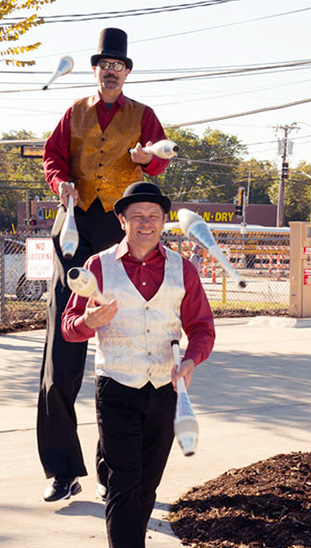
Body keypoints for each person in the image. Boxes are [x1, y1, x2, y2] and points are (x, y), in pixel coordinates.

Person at [39, 27, 171, 503]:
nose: (111, 70)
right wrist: (61, 184)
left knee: (121, 354)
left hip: (119, 237)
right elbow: (53, 158)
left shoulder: (144, 116)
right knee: (61, 357)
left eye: (119, 65)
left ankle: (109, 470)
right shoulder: (73, 112)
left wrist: (145, 160)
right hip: (75, 235)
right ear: (96, 70)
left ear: (127, 72)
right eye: (104, 64)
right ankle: (61, 470)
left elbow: (162, 159)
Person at [62, 182, 215, 548]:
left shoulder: (184, 270)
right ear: (121, 221)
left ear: (164, 221)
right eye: (137, 216)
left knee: (148, 484)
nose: (146, 223)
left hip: (165, 390)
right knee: (124, 480)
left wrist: (192, 360)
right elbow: (68, 328)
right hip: (116, 386)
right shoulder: (96, 266)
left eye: (153, 216)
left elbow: (202, 328)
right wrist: (89, 323)